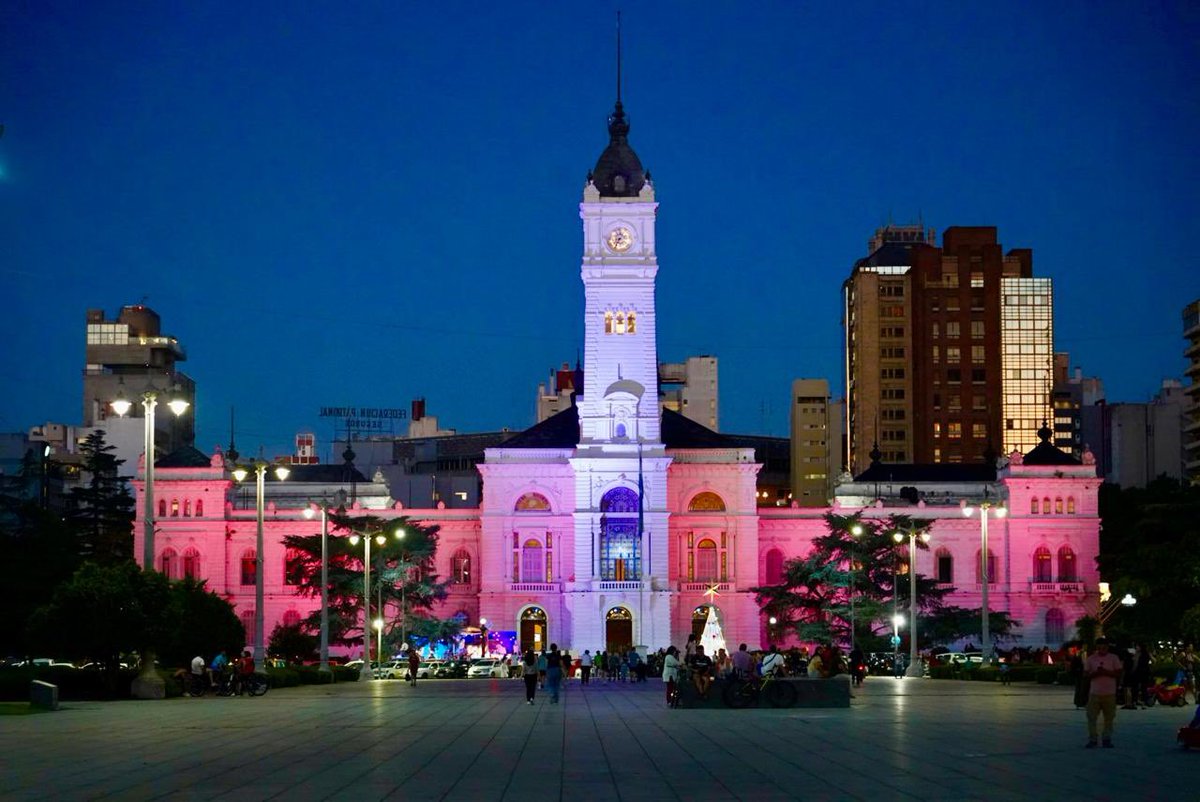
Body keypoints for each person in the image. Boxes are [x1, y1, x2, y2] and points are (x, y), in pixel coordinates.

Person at [1085, 637, 1123, 748]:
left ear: (1107, 647)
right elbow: (1086, 675)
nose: (1102, 649)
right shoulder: (1091, 659)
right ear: (1097, 647)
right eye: (1100, 647)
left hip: (1109, 693)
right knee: (1091, 717)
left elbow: (1119, 673)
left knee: (1109, 718)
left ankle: (1106, 738)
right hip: (1094, 693)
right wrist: (1096, 673)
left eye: (1104, 647)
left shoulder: (1113, 658)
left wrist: (1105, 672)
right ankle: (1093, 738)